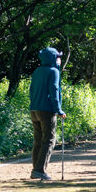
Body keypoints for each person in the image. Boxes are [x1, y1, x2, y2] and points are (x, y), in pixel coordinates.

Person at [28, 47, 65, 182]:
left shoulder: (37, 71)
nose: (59, 59)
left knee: (38, 140)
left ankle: (36, 169)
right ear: (52, 58)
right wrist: (59, 110)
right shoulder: (53, 71)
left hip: (34, 109)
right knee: (49, 140)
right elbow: (54, 91)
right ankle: (39, 170)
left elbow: (32, 90)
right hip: (47, 111)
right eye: (57, 57)